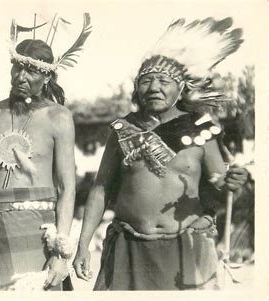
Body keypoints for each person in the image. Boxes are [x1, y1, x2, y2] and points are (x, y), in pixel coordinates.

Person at [73, 17, 248, 290]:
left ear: (181, 90)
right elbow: (100, 189)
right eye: (146, 81)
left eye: (164, 81)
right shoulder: (122, 129)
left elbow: (218, 186)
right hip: (127, 248)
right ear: (136, 88)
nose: (154, 88)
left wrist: (231, 182)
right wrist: (83, 245)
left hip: (185, 247)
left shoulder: (201, 130)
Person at [0, 15, 92, 291]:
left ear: (47, 75)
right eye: (17, 68)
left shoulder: (58, 117)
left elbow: (66, 186)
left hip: (36, 230)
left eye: (32, 71)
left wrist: (61, 253)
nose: (21, 77)